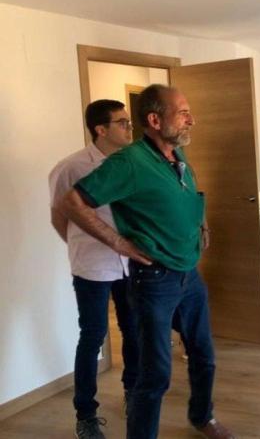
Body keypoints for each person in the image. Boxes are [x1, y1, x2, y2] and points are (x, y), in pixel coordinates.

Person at [59, 85, 234, 439]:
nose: (191, 120)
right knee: (154, 374)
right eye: (182, 113)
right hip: (154, 281)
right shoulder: (129, 162)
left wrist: (201, 223)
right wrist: (117, 242)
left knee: (204, 355)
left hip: (188, 274)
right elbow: (72, 203)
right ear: (155, 120)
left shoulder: (176, 154)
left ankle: (202, 416)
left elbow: (184, 194)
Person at [49, 100, 138, 439]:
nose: (129, 128)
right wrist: (80, 245)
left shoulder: (131, 163)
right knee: (93, 335)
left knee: (133, 330)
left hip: (129, 264)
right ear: (101, 129)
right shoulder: (70, 167)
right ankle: (85, 414)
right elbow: (59, 215)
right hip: (92, 266)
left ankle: (133, 393)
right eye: (122, 123)